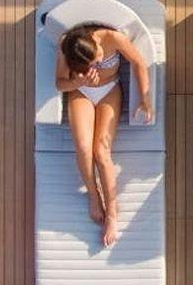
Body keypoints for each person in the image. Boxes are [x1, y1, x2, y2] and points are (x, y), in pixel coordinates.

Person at [55, 23, 154, 247]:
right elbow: (59, 83)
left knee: (101, 151)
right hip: (80, 91)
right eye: (92, 64)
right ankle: (93, 195)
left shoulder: (111, 37)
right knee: (83, 147)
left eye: (98, 57)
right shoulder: (66, 45)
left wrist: (145, 99)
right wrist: (77, 81)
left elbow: (139, 63)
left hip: (109, 89)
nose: (98, 63)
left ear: (95, 42)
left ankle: (112, 212)